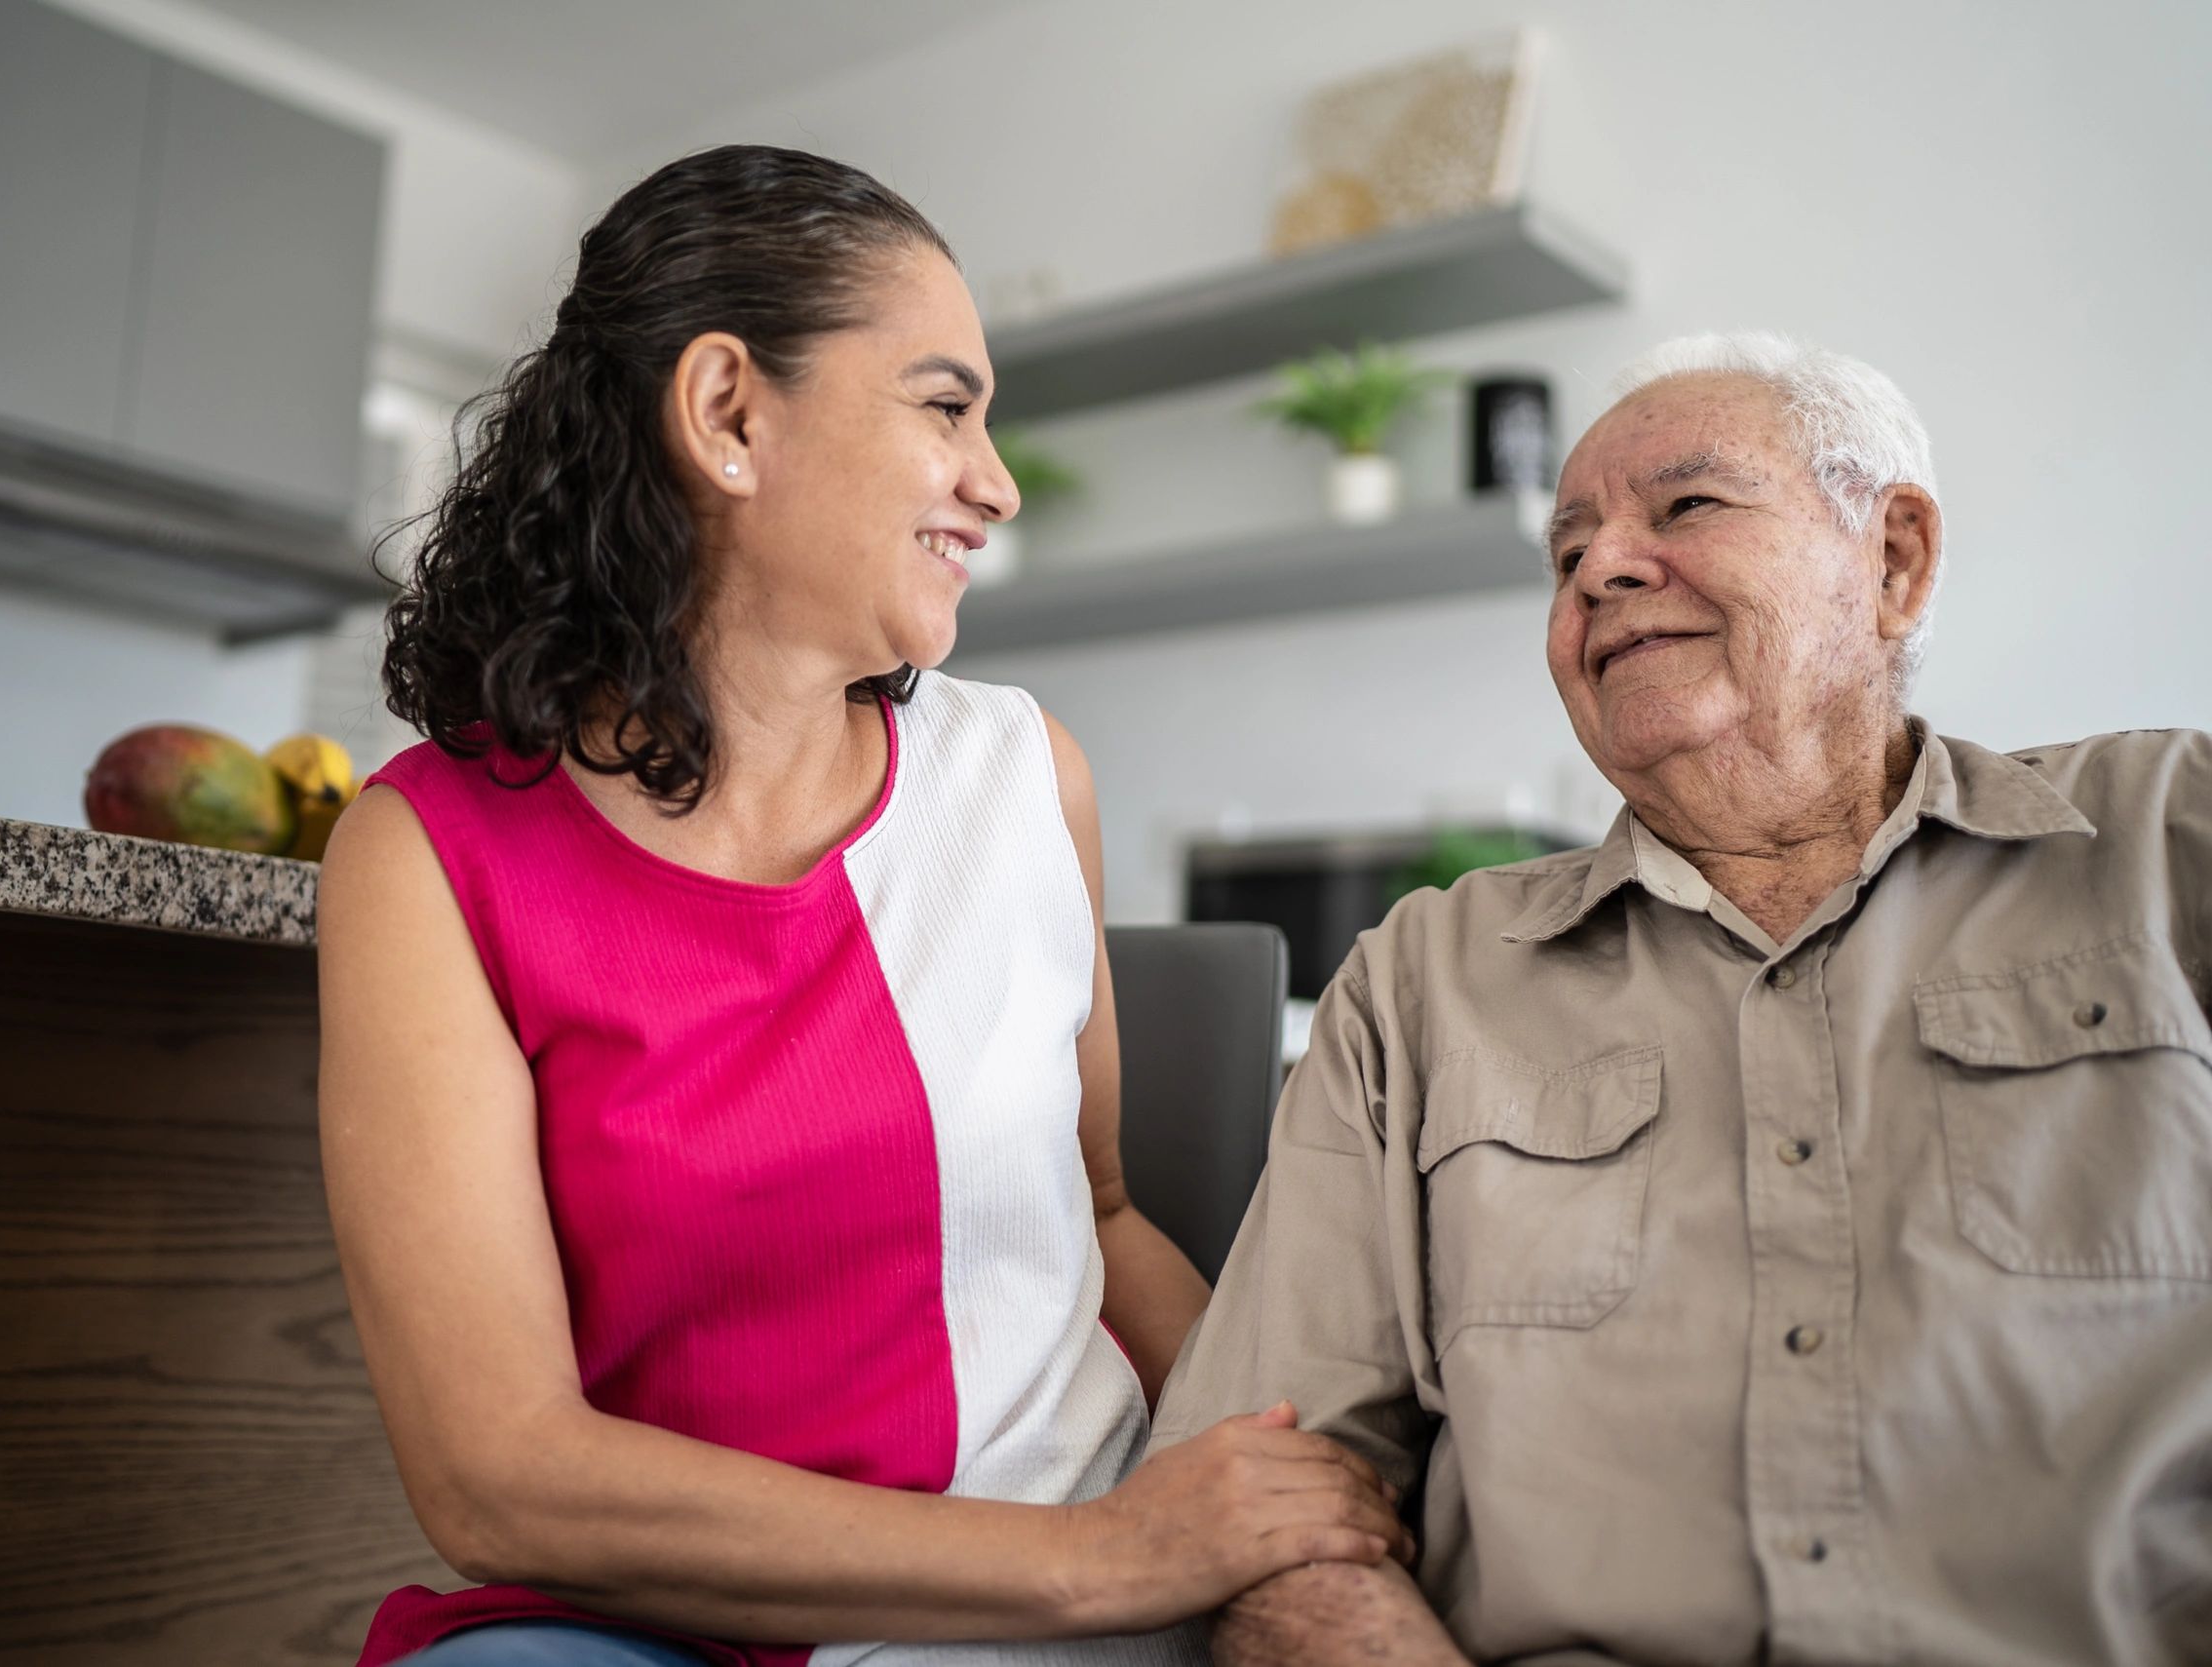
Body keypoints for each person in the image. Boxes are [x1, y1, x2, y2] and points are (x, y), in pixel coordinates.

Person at [312, 144, 1406, 1667]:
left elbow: (1102, 1215)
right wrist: (1087, 1561)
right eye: (944, 405)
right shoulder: (427, 849)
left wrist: (1252, 1494)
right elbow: (496, 1475)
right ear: (729, 413)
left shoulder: (1028, 778)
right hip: (673, 1620)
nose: (997, 481)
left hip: (1055, 1592)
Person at [1149, 330, 2212, 1666]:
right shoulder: (1425, 978)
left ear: (1893, 560)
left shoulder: (2174, 847)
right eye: (1566, 549)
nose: (1601, 564)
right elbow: (1258, 1498)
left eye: (1688, 504)